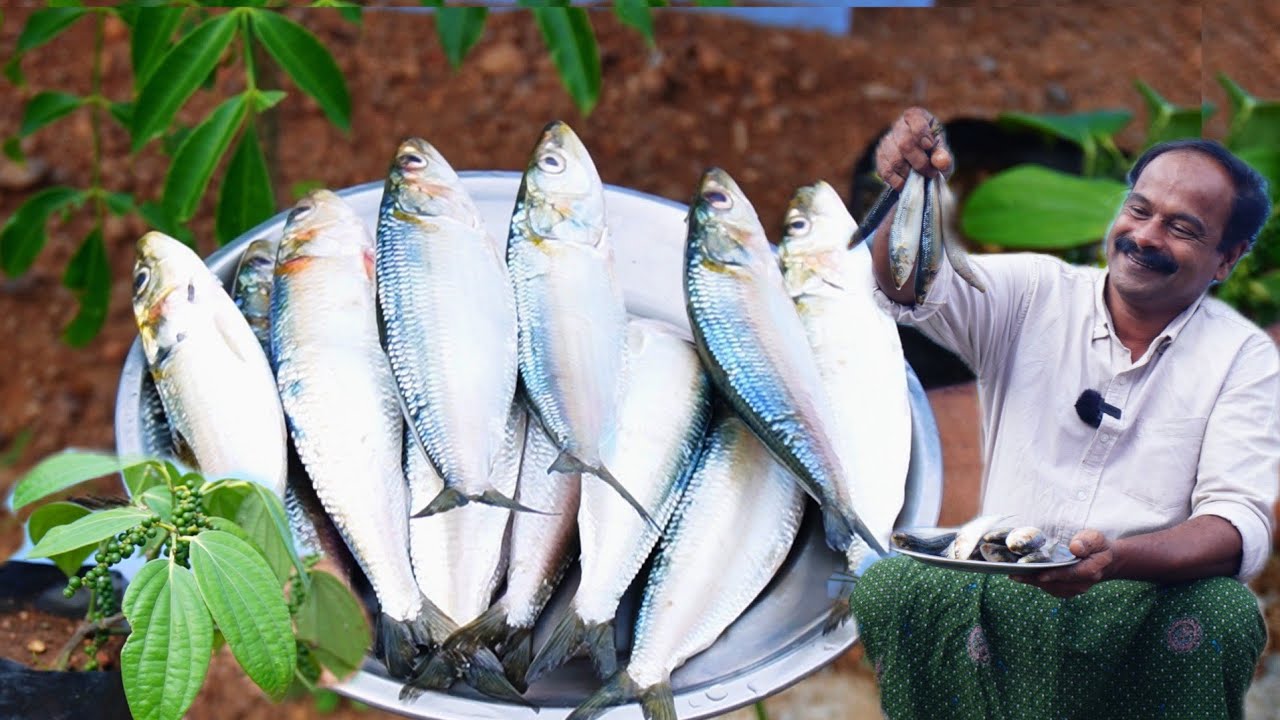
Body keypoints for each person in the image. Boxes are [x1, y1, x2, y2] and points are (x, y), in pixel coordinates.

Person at [849, 107, 1279, 719]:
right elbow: (909, 287)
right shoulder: (1033, 292)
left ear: (1228, 259)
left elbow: (1238, 523)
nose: (1147, 236)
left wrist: (1116, 560)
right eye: (1139, 210)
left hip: (1138, 602)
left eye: (1182, 228)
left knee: (1226, 613)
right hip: (998, 586)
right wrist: (902, 191)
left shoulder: (1241, 358)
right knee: (894, 585)